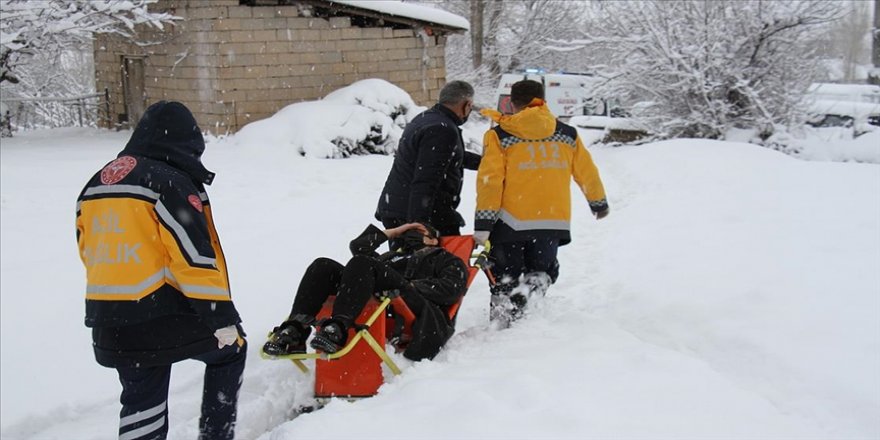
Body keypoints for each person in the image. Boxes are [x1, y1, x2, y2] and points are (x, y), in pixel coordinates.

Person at [76, 101, 246, 440]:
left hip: (110, 319)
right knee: (230, 352)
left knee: (142, 400)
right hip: (159, 314)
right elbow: (193, 256)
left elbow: (87, 248)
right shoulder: (169, 182)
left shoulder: (98, 182)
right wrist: (220, 317)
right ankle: (217, 435)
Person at [474, 80, 609, 325]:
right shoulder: (567, 134)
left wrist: (483, 224)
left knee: (505, 277)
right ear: (543, 101)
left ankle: (503, 324)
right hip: (551, 221)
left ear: (512, 103)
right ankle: (530, 316)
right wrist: (598, 202)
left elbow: (490, 181)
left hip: (509, 223)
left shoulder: (499, 135)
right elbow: (586, 171)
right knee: (541, 272)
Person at [262, 222, 468, 361]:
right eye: (407, 233)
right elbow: (358, 245)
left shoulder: (444, 257)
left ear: (434, 239)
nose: (410, 235)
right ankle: (296, 329)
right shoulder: (388, 256)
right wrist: (397, 230)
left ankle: (338, 327)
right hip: (378, 290)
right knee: (322, 266)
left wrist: (411, 286)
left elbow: (452, 289)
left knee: (363, 262)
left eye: (419, 232)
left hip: (411, 301)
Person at [375, 80, 482, 248]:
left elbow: (448, 157)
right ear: (466, 105)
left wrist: (487, 162)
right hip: (416, 213)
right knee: (438, 268)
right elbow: (426, 178)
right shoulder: (442, 129)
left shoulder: (427, 119)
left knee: (407, 268)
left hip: (399, 207)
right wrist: (419, 225)